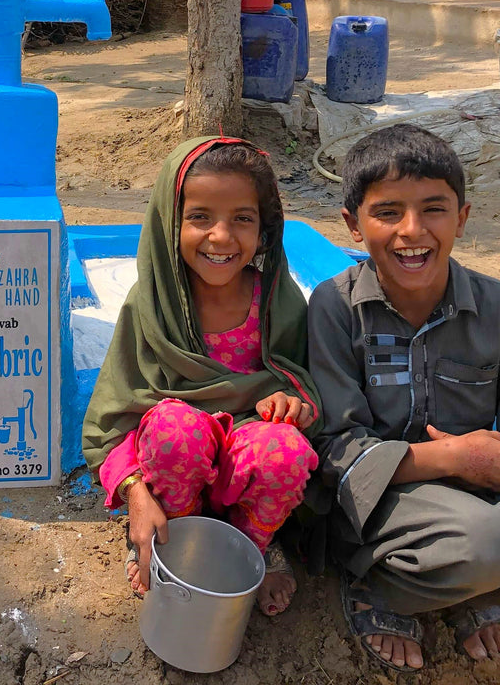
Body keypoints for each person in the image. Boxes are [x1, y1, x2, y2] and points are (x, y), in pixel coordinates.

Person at [307, 124, 500, 672]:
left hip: (481, 488)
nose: (411, 230)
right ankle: (381, 589)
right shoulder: (335, 308)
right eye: (388, 211)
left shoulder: (497, 306)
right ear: (352, 223)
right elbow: (334, 446)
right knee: (484, 546)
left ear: (461, 218)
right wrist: (450, 458)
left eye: (433, 209)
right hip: (382, 502)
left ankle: (467, 590)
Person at [83, 137, 323, 617]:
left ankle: (251, 543)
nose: (221, 237)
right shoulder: (150, 308)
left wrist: (292, 404)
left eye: (242, 218)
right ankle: (174, 535)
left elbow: (300, 379)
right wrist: (136, 495)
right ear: (170, 223)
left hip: (245, 465)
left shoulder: (276, 300)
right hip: (173, 467)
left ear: (265, 228)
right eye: (199, 217)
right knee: (177, 427)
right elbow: (114, 417)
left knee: (286, 449)